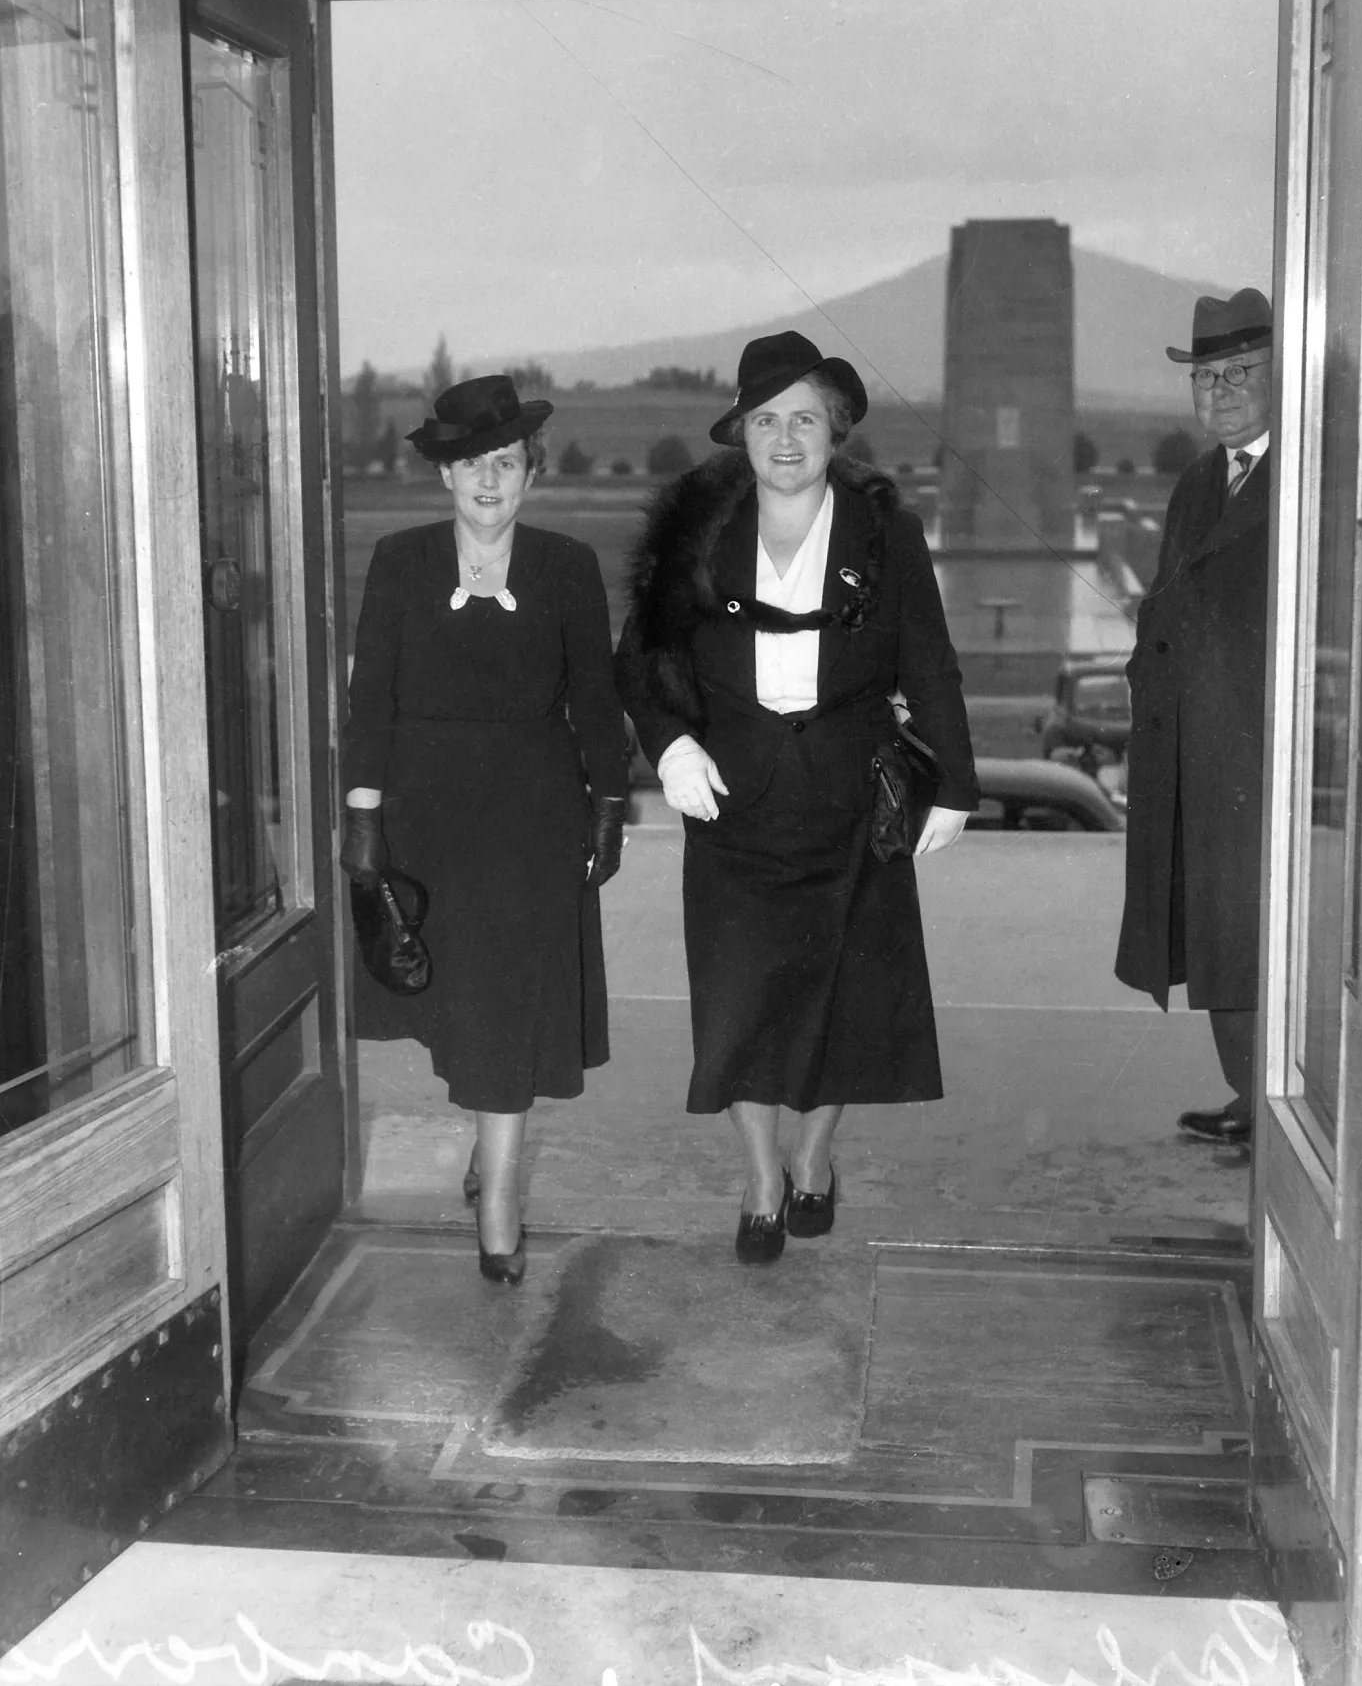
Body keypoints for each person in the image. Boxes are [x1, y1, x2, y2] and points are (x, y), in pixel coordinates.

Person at [615, 331, 978, 1263]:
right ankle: (761, 1178)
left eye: (805, 420)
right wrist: (671, 747)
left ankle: (813, 1155)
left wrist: (954, 784)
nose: (785, 439)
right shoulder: (696, 532)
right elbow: (641, 661)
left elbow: (928, 660)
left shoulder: (885, 532)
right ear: (740, 432)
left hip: (854, 798)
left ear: (836, 431)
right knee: (741, 1002)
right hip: (731, 799)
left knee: (843, 997)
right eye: (766, 420)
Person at [341, 375, 628, 1283]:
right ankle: (487, 1141)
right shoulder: (398, 560)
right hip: (424, 818)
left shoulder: (567, 565)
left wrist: (609, 806)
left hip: (533, 817)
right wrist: (362, 819)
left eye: (505, 463)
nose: (489, 481)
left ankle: (499, 1196)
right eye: (472, 465)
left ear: (532, 473)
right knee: (459, 999)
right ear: (445, 476)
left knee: (507, 1001)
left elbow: (596, 698)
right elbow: (368, 700)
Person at [1115, 289, 1275, 1147]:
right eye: (1205, 377)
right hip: (1195, 747)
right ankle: (1252, 1099)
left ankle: (1278, 1108)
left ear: (1281, 378)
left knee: (1255, 931)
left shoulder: (1308, 480)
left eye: (1239, 372)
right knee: (1216, 931)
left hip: (1264, 754)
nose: (1219, 392)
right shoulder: (1196, 480)